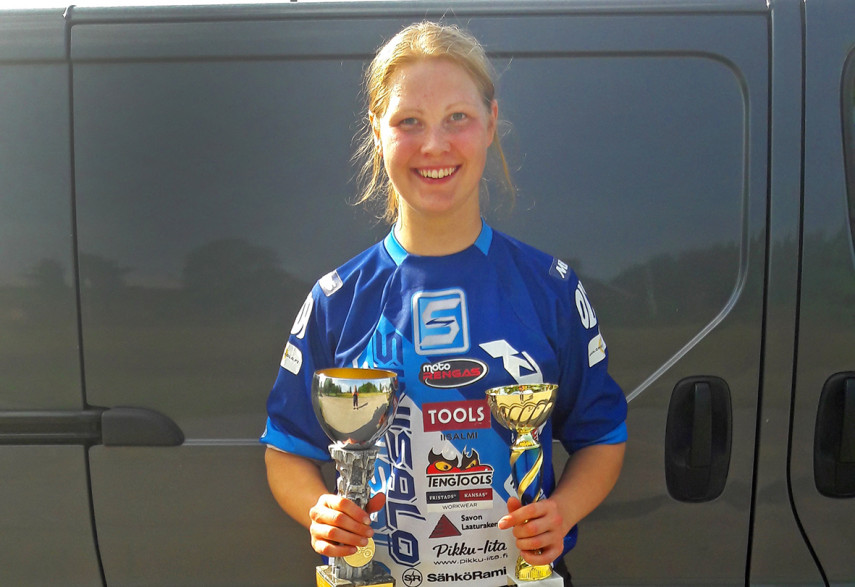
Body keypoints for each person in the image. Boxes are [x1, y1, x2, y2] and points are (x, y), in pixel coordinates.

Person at [261, 21, 627, 587]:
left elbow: (601, 437)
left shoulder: (549, 287)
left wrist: (563, 511)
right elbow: (285, 450)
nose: (434, 145)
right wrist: (321, 511)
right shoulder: (337, 299)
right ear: (377, 130)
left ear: (491, 123)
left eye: (457, 117)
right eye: (409, 121)